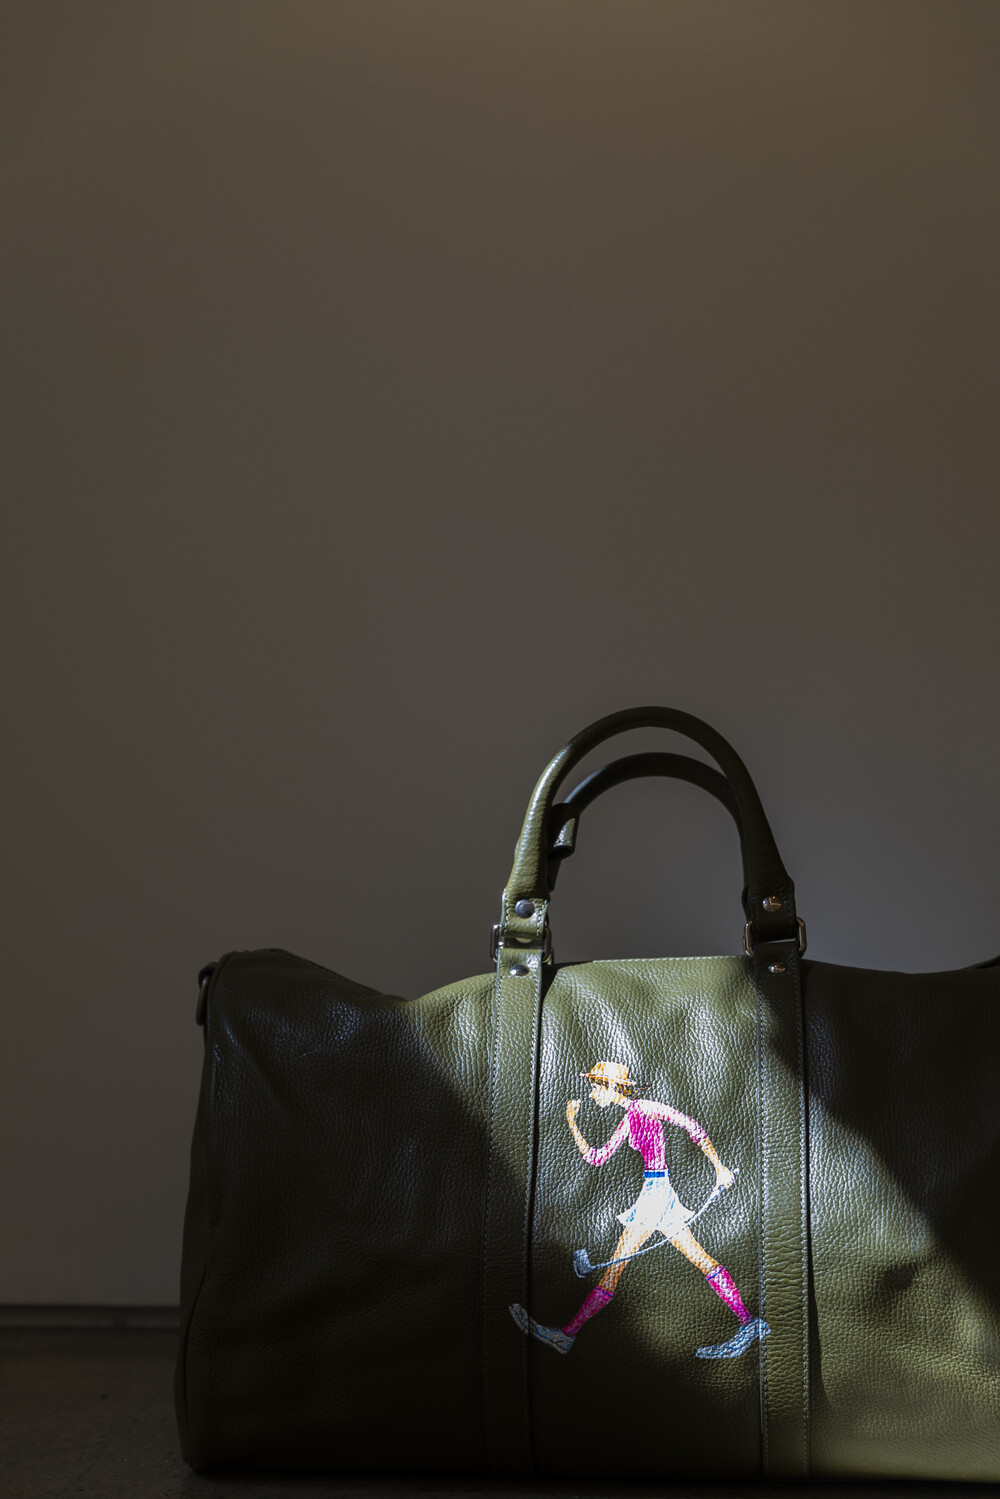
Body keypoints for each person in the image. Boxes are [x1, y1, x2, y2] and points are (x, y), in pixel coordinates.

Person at [509, 1060, 769, 1359]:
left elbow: (692, 1126)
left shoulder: (644, 1108)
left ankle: (567, 1335)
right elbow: (596, 1158)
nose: (592, 1094)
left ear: (610, 1086)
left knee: (614, 1271)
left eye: (595, 1087)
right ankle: (748, 1321)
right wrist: (572, 1122)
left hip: (656, 1197)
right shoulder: (630, 1117)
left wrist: (719, 1168)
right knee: (698, 1259)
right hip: (657, 1192)